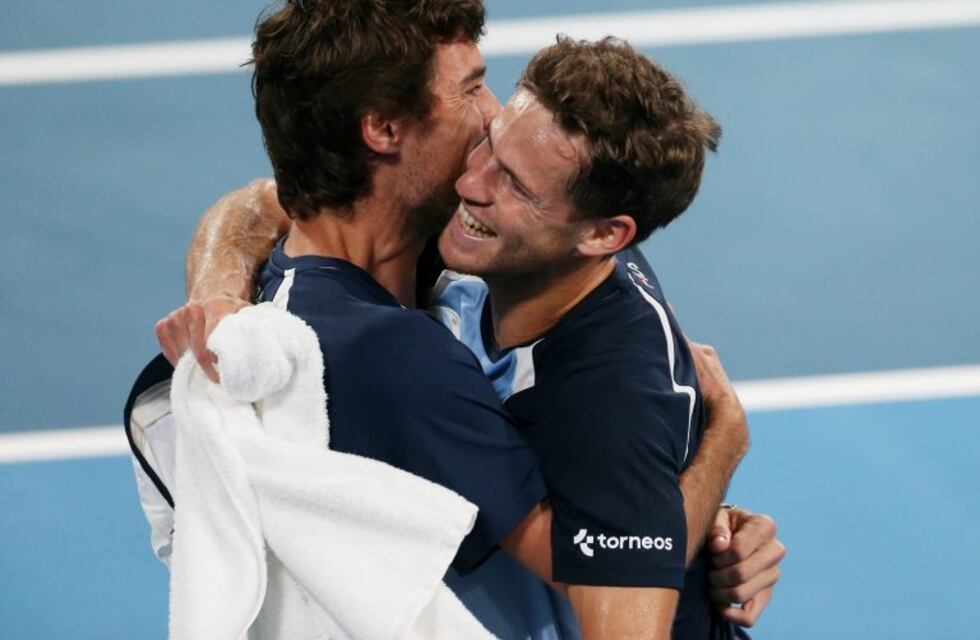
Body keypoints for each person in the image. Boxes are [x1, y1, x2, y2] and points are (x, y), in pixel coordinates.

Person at [133, 1, 784, 638]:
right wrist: (721, 451)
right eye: (471, 90)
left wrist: (218, 279)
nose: (490, 113)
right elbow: (590, 568)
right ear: (384, 129)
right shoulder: (398, 347)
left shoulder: (376, 259)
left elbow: (262, 200)